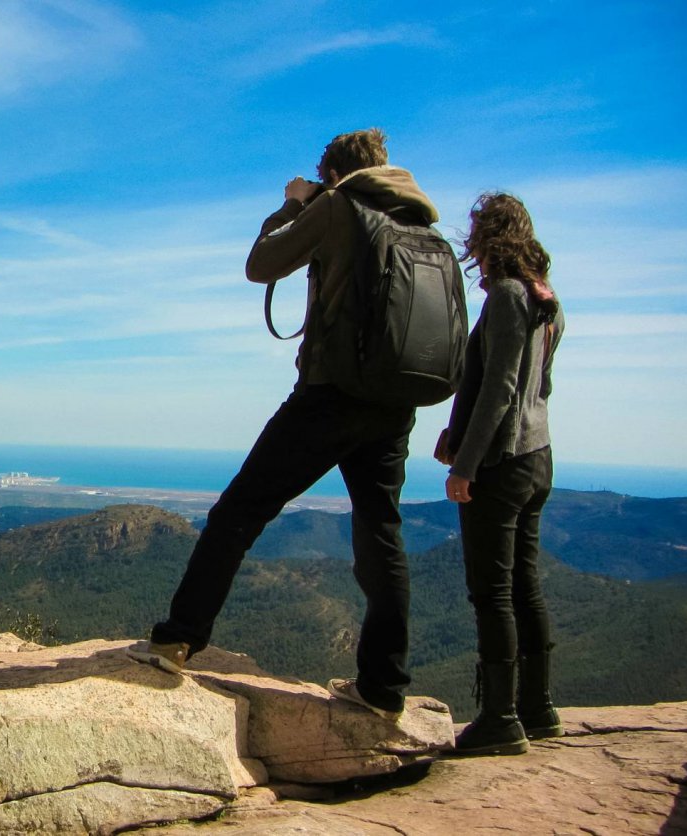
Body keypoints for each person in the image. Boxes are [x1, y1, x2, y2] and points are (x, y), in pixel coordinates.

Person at [128, 128, 443, 721]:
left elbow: (261, 264)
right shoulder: (420, 225)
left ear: (332, 172)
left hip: (330, 395)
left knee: (238, 512)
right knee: (381, 533)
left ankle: (177, 639)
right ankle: (383, 688)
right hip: (394, 401)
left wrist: (294, 204)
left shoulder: (337, 205)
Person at [436, 192, 564, 756]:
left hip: (504, 463)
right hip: (538, 456)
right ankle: (538, 709)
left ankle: (500, 718)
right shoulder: (548, 300)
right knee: (524, 586)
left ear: (490, 237)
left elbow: (500, 388)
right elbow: (541, 386)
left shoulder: (510, 296)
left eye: (478, 234)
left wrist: (466, 465)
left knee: (492, 593)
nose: (474, 246)